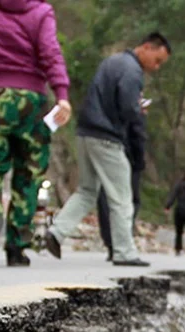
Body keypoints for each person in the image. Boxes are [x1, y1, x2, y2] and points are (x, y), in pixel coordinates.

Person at [44, 33, 172, 267]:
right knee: (122, 197)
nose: (156, 67)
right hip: (107, 137)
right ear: (146, 47)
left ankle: (56, 231)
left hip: (85, 133)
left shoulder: (111, 62)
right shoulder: (133, 71)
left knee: (87, 190)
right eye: (157, 60)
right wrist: (138, 111)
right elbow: (126, 107)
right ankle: (124, 252)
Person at [0, 0, 72, 267]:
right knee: (29, 173)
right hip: (32, 100)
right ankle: (16, 247)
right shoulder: (40, 11)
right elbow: (50, 52)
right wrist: (62, 94)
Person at [97, 96, 148, 261]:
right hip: (128, 161)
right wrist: (140, 162)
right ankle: (122, 242)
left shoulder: (106, 111)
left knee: (106, 200)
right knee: (129, 202)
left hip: (105, 157)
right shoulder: (133, 115)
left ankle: (111, 243)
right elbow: (138, 138)